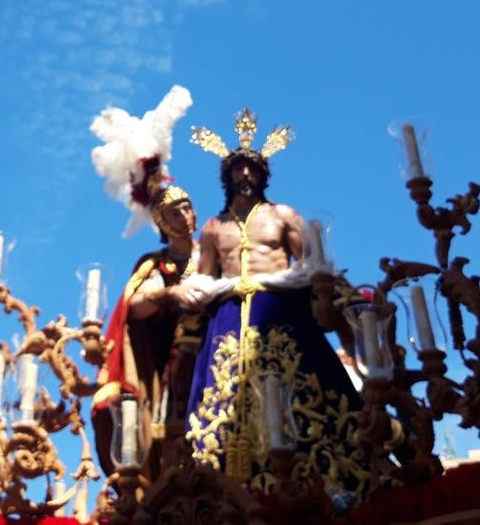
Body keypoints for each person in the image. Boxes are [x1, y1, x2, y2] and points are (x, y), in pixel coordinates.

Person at [184, 109, 363, 496]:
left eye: (253, 170)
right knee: (221, 401)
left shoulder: (283, 215)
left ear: (263, 176)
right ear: (227, 176)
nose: (246, 175)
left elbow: (314, 264)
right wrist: (192, 291)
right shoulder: (214, 228)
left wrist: (326, 295)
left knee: (304, 388)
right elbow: (205, 275)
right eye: (239, 170)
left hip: (280, 312)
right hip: (230, 318)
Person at [87, 85, 205, 478]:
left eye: (187, 206)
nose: (184, 216)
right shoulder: (155, 264)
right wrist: (170, 293)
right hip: (174, 359)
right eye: (173, 212)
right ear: (160, 223)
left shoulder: (216, 248)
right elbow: (135, 306)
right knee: (175, 428)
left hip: (221, 349)